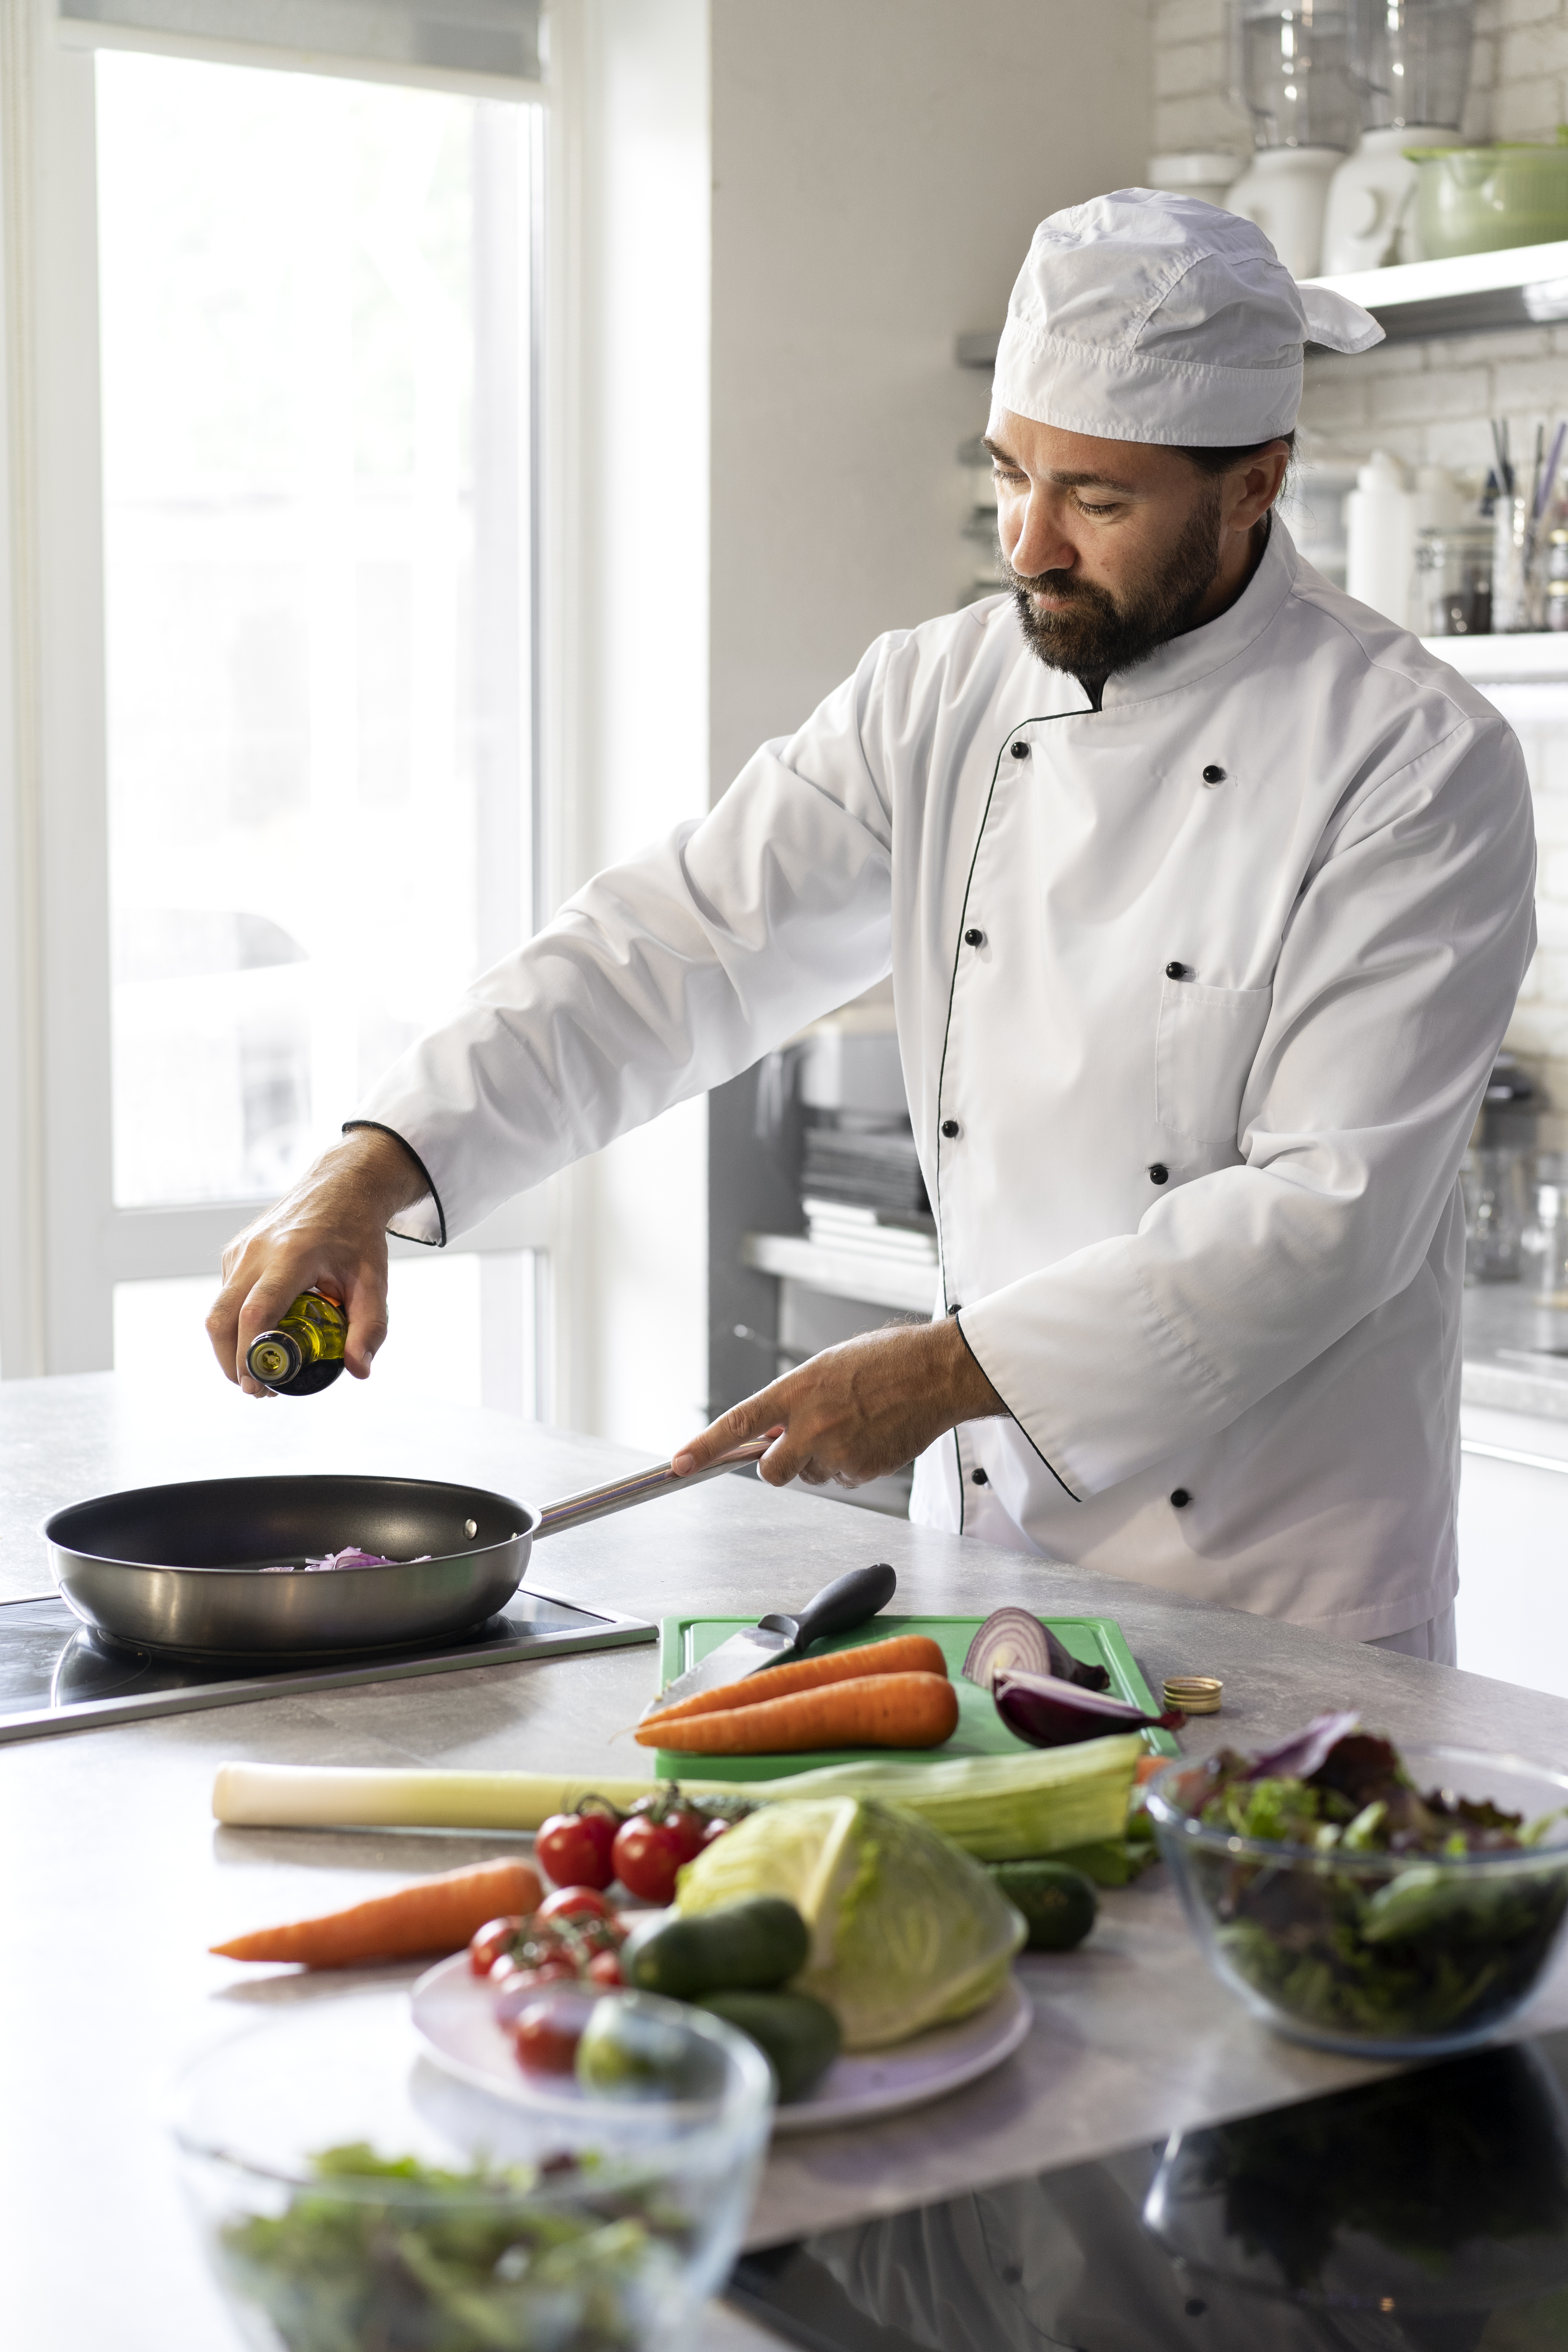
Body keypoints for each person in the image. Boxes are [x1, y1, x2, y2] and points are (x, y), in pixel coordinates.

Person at [207, 191, 1536, 1662]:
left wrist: (943, 1374)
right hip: (994, 1568)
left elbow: (1324, 1218)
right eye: (1010, 474)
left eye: (1097, 499)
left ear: (1255, 484)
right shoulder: (942, 690)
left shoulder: (1415, 759)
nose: (1030, 542)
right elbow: (677, 945)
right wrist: (377, 1164)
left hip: (1284, 1597)